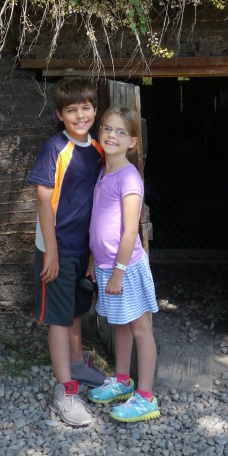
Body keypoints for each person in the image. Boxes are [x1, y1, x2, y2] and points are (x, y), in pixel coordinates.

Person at [28, 77, 107, 427]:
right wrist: (52, 253)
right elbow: (44, 200)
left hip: (83, 248)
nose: (80, 115)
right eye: (72, 110)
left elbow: (101, 203)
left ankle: (76, 363)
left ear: (95, 110)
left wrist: (92, 253)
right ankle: (65, 392)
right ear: (60, 114)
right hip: (56, 249)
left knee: (77, 310)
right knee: (59, 320)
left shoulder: (100, 149)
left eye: (86, 108)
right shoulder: (54, 148)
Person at [86, 106, 161, 422]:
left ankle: (146, 397)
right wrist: (93, 260)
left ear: (132, 141)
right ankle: (122, 380)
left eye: (119, 131)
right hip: (104, 266)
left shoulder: (128, 177)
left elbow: (131, 230)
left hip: (124, 268)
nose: (111, 135)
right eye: (107, 128)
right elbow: (98, 221)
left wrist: (119, 272)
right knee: (120, 324)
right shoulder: (104, 171)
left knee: (140, 329)